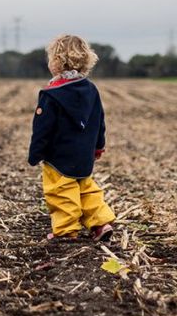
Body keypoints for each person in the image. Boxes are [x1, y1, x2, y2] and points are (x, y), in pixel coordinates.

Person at [28, 34, 115, 241]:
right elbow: (98, 121)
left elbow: (42, 128)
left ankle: (66, 231)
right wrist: (98, 147)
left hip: (58, 157)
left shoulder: (51, 95)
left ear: (57, 62)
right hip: (84, 155)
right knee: (86, 189)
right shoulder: (91, 90)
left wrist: (36, 153)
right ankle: (101, 223)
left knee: (61, 192)